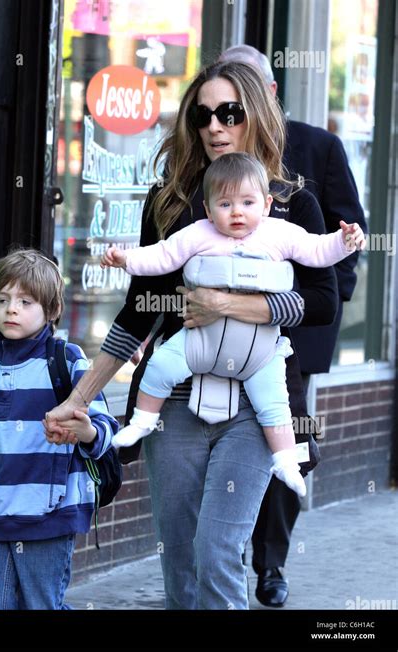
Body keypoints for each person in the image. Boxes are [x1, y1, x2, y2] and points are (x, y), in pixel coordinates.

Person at [45, 60, 339, 610]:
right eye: (202, 114)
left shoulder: (292, 203)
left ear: (256, 116)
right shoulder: (171, 204)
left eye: (229, 113)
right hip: (174, 400)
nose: (214, 126)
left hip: (257, 402)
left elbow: (322, 303)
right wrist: (78, 399)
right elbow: (138, 314)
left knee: (218, 549)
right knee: (178, 555)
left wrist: (231, 304)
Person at [100, 152, 365, 500]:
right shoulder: (199, 234)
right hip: (200, 342)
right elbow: (162, 255)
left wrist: (343, 242)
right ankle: (141, 421)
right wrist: (126, 259)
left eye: (247, 202)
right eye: (225, 204)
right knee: (160, 364)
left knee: (275, 405)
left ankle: (285, 461)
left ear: (267, 204)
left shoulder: (280, 233)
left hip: (260, 351)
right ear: (209, 210)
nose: (237, 212)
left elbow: (316, 250)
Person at [219, 45, 367, 608]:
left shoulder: (316, 147)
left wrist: (322, 310)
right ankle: (223, 555)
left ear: (271, 92)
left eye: (248, 89)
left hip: (293, 332)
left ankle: (271, 564)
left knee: (290, 440)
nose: (232, 110)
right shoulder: (211, 147)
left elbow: (348, 232)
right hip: (215, 334)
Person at [0, 248, 118, 610]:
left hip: (49, 514)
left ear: (51, 310)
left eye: (26, 301)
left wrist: (85, 430)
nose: (12, 309)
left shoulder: (66, 359)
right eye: (3, 299)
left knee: (42, 605)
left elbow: (104, 431)